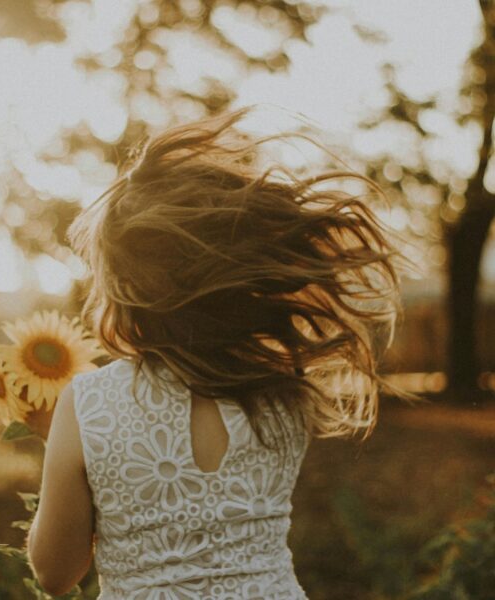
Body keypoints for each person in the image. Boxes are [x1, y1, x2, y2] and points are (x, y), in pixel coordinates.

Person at [26, 106, 404, 599]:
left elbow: (56, 574)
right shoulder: (285, 391)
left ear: (126, 288)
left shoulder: (90, 403)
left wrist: (60, 451)